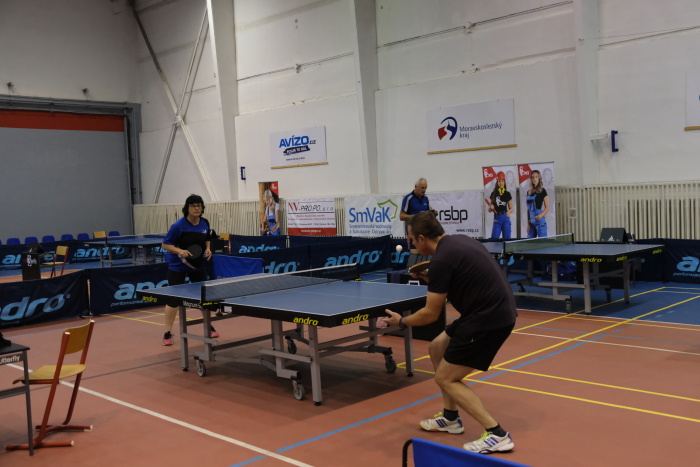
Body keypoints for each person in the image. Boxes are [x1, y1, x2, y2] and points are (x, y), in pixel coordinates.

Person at [382, 211, 517, 454]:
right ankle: (451, 418)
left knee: (446, 378)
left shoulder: (442, 260)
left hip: (488, 319)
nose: (411, 243)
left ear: (422, 238)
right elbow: (458, 279)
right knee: (437, 347)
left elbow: (429, 314)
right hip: (488, 311)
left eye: (411, 238)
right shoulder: (459, 242)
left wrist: (401, 321)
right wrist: (430, 278)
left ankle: (497, 434)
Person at [160, 194, 216, 346]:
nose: (197, 208)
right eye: (193, 206)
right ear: (187, 208)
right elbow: (165, 244)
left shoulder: (204, 223)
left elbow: (207, 238)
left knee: (204, 298)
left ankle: (208, 326)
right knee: (173, 301)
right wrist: (180, 251)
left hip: (197, 266)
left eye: (199, 205)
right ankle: (167, 332)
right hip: (178, 266)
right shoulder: (178, 226)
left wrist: (208, 248)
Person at [400, 178, 436, 249]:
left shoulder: (426, 198)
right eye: (422, 188)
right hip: (413, 234)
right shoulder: (408, 198)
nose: (424, 190)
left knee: (426, 254)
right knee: (415, 255)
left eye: (425, 188)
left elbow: (427, 213)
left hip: (425, 233)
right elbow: (401, 216)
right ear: (415, 187)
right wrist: (417, 216)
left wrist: (432, 213)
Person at [487, 172, 513, 239]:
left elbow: (511, 208)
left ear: (504, 182)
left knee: (507, 240)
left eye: (502, 181)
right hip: (497, 219)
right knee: (494, 240)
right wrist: (491, 208)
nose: (501, 183)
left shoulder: (507, 194)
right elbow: (489, 210)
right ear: (497, 182)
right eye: (499, 181)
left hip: (505, 218)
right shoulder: (493, 194)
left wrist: (509, 211)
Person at [526, 169, 549, 238]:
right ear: (531, 179)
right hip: (531, 221)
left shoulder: (542, 191)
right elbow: (528, 209)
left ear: (539, 178)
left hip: (540, 221)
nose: (534, 179)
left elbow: (547, 208)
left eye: (536, 177)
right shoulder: (529, 192)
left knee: (542, 242)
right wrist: (528, 224)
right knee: (529, 241)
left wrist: (540, 216)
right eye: (533, 177)